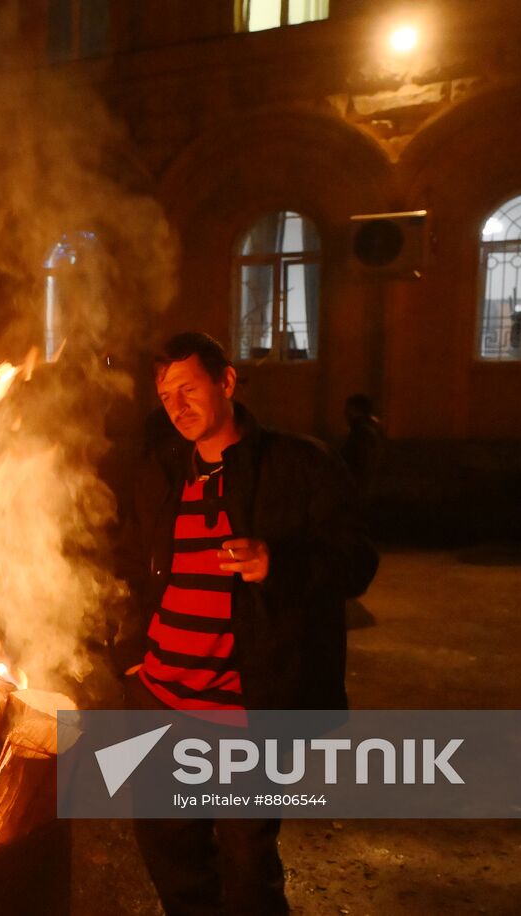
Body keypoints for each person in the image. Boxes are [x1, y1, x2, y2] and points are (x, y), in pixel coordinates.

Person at [114, 332, 378, 916]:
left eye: (189, 388)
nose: (177, 406)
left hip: (243, 714)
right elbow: (129, 571)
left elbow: (357, 560)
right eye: (165, 395)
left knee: (248, 869)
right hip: (157, 702)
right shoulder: (161, 475)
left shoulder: (297, 465)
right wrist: (132, 658)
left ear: (226, 382)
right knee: (170, 857)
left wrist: (275, 564)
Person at [339, 393, 385, 506]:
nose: (345, 412)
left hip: (356, 493)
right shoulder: (366, 431)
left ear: (357, 410)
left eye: (349, 408)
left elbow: (362, 464)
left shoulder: (363, 433)